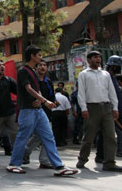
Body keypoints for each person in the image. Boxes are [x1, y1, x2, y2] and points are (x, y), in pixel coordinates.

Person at [7, 45, 78, 176]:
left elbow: (37, 89)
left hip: (39, 110)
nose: (41, 57)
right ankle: (14, 164)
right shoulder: (23, 71)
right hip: (27, 110)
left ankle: (58, 166)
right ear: (32, 56)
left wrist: (40, 99)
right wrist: (45, 101)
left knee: (49, 136)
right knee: (23, 136)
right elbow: (28, 88)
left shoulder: (34, 72)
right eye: (39, 55)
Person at [76, 51, 122, 172]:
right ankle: (82, 159)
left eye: (99, 57)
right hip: (91, 108)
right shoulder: (83, 74)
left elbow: (111, 92)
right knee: (89, 136)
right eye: (95, 57)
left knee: (110, 136)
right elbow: (81, 93)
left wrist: (115, 108)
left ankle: (109, 162)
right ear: (88, 60)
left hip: (107, 107)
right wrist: (84, 108)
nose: (98, 59)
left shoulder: (105, 74)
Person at [22, 59, 56, 169]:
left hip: (47, 112)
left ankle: (44, 160)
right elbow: (29, 92)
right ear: (36, 67)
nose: (42, 67)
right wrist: (38, 100)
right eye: (40, 65)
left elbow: (51, 96)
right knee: (37, 136)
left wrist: (53, 103)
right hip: (34, 110)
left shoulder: (48, 81)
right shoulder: (33, 80)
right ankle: (25, 152)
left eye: (45, 65)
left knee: (46, 136)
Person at [92, 55, 122, 164]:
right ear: (113, 66)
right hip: (107, 110)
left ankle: (102, 156)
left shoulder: (112, 77)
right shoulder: (105, 77)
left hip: (114, 110)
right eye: (118, 66)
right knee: (106, 134)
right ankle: (102, 156)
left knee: (106, 134)